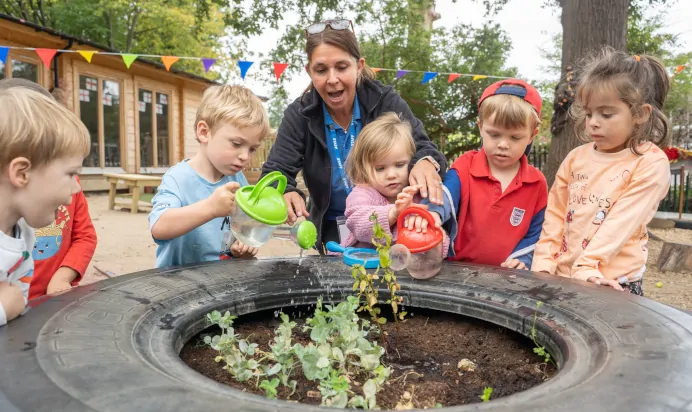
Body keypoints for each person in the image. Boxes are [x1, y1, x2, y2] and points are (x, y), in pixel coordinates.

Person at [261, 18, 448, 253]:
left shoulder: (385, 100)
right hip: (332, 236)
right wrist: (286, 190)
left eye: (341, 67)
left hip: (393, 227)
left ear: (359, 66)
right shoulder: (300, 114)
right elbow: (274, 173)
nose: (332, 79)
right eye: (321, 70)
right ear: (309, 71)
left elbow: (425, 148)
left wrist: (425, 162)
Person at [532, 48, 672, 295]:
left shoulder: (650, 163)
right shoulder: (576, 158)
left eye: (606, 114)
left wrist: (587, 265)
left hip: (611, 282)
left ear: (640, 114)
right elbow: (555, 214)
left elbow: (622, 222)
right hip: (563, 275)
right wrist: (543, 262)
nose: (593, 122)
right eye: (589, 113)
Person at [414, 79, 548, 270]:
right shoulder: (466, 165)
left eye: (515, 137)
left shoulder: (536, 183)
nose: (503, 144)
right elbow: (444, 195)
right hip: (457, 271)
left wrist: (523, 259)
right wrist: (433, 214)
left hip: (506, 278)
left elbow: (537, 232)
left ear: (532, 135)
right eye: (494, 134)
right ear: (480, 127)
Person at [149, 84, 271, 268]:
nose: (245, 156)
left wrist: (242, 246)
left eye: (252, 149)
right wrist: (210, 207)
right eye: (236, 144)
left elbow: (243, 227)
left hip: (221, 281)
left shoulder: (238, 180)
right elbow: (159, 227)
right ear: (204, 132)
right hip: (178, 285)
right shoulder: (178, 178)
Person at [0, 78, 98, 300]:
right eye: (71, 174)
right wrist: (6, 308)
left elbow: (85, 236)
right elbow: (13, 302)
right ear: (22, 173)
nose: (76, 188)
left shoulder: (23, 233)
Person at [339, 112, 449, 255]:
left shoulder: (419, 195)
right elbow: (358, 223)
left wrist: (433, 230)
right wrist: (394, 213)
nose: (391, 175)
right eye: (380, 168)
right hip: (363, 268)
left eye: (399, 165)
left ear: (411, 161)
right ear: (363, 169)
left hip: (403, 272)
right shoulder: (362, 194)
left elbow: (438, 249)